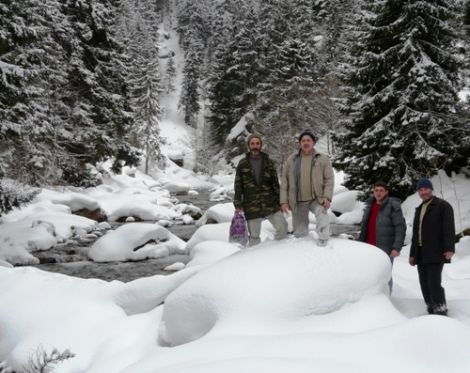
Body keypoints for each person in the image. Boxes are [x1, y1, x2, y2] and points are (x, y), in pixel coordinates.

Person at [280, 128, 334, 246]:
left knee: (322, 213)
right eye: (303, 140)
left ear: (313, 142)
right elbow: (284, 182)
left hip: (316, 198)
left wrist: (327, 197)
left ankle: (324, 242)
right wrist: (284, 201)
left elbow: (329, 179)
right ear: (300, 143)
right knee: (300, 235)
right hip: (297, 201)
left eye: (308, 140)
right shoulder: (291, 160)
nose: (305, 142)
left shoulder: (322, 158)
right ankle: (304, 254)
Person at [409, 177, 455, 316]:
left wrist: (449, 248)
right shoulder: (419, 209)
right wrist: (412, 254)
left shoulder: (443, 206)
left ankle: (440, 310)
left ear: (431, 189)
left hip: (436, 251)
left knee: (434, 283)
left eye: (426, 189)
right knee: (424, 283)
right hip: (421, 252)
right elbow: (415, 234)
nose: (423, 192)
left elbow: (449, 228)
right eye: (421, 190)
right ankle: (430, 308)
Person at [233, 133, 288, 246]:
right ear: (249, 145)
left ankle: (277, 251)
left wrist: (280, 202)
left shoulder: (269, 162)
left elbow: (275, 184)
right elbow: (238, 185)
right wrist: (238, 203)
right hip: (251, 205)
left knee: (283, 227)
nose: (255, 146)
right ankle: (256, 259)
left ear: (261, 145)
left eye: (257, 143)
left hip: (270, 202)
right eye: (252, 143)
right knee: (254, 237)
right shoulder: (243, 164)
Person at [358, 181, 406, 291]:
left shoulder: (392, 206)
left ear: (386, 192)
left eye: (381, 191)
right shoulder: (370, 205)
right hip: (369, 247)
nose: (378, 193)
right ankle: (372, 297)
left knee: (385, 276)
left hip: (386, 249)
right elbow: (365, 227)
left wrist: (396, 248)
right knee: (370, 274)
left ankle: (386, 300)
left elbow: (400, 227)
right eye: (376, 190)